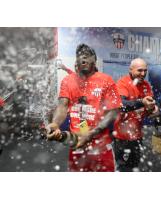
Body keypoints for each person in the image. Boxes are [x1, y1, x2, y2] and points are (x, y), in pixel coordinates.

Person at [45, 43, 122, 172]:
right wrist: (55, 123)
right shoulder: (68, 81)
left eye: (86, 56)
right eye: (79, 56)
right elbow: (62, 106)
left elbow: (114, 111)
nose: (82, 59)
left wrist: (92, 133)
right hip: (77, 144)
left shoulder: (106, 80)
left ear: (94, 60)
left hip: (100, 146)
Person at [113, 58, 158, 171]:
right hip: (122, 137)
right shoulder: (122, 83)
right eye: (139, 70)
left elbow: (148, 107)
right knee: (124, 168)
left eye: (145, 71)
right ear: (131, 70)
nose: (143, 74)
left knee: (135, 166)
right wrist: (142, 102)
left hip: (137, 135)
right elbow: (121, 105)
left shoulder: (146, 85)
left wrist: (153, 109)